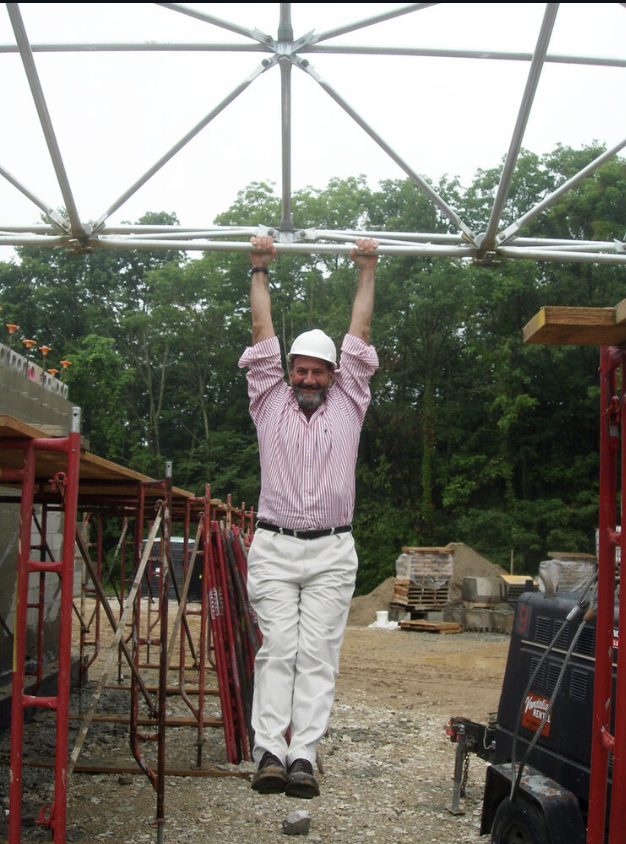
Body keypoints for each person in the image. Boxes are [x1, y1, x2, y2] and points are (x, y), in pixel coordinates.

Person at [238, 233, 379, 799]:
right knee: (279, 649)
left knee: (318, 656)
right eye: (302, 369)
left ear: (334, 375)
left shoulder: (350, 403)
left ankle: (304, 757)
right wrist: (259, 270)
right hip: (273, 545)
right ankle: (270, 751)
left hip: (331, 549)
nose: (310, 378)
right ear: (289, 370)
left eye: (321, 370)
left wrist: (367, 269)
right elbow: (260, 336)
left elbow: (360, 336)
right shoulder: (268, 400)